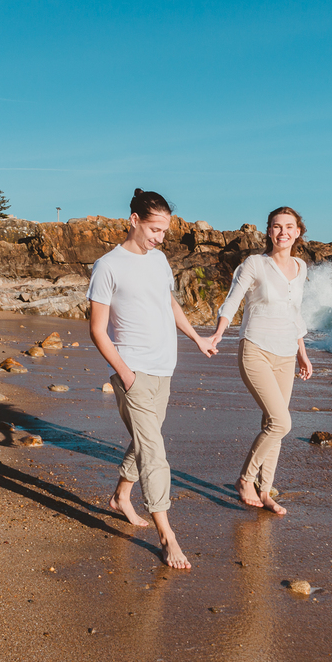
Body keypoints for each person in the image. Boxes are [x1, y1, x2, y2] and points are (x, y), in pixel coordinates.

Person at [87, 188, 217, 568]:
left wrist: (197, 338)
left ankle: (119, 497)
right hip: (134, 372)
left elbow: (169, 302)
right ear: (134, 220)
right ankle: (167, 535)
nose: (160, 238)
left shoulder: (159, 260)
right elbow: (97, 329)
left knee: (146, 441)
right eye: (155, 229)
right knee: (155, 454)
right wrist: (125, 374)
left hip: (165, 368)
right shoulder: (108, 265)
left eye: (164, 231)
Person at [210, 207, 313, 515]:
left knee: (274, 425)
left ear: (298, 232)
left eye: (289, 227)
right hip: (255, 348)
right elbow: (233, 299)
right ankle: (246, 479)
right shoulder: (254, 264)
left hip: (285, 355)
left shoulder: (300, 267)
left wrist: (302, 353)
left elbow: (294, 313)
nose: (283, 232)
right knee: (282, 422)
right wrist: (218, 334)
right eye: (277, 226)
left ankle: (265, 491)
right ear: (269, 232)